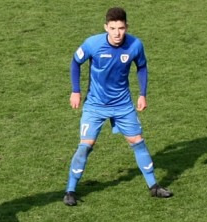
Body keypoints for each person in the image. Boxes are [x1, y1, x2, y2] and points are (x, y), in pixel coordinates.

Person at [63, 7, 172, 206]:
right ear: (106, 27)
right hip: (95, 105)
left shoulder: (135, 45)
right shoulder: (93, 44)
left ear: (126, 27)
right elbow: (75, 62)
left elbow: (142, 66)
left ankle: (154, 186)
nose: (117, 33)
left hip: (123, 105)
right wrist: (75, 90)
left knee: (138, 141)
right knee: (85, 146)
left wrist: (142, 94)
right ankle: (70, 190)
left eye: (121, 28)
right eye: (113, 28)